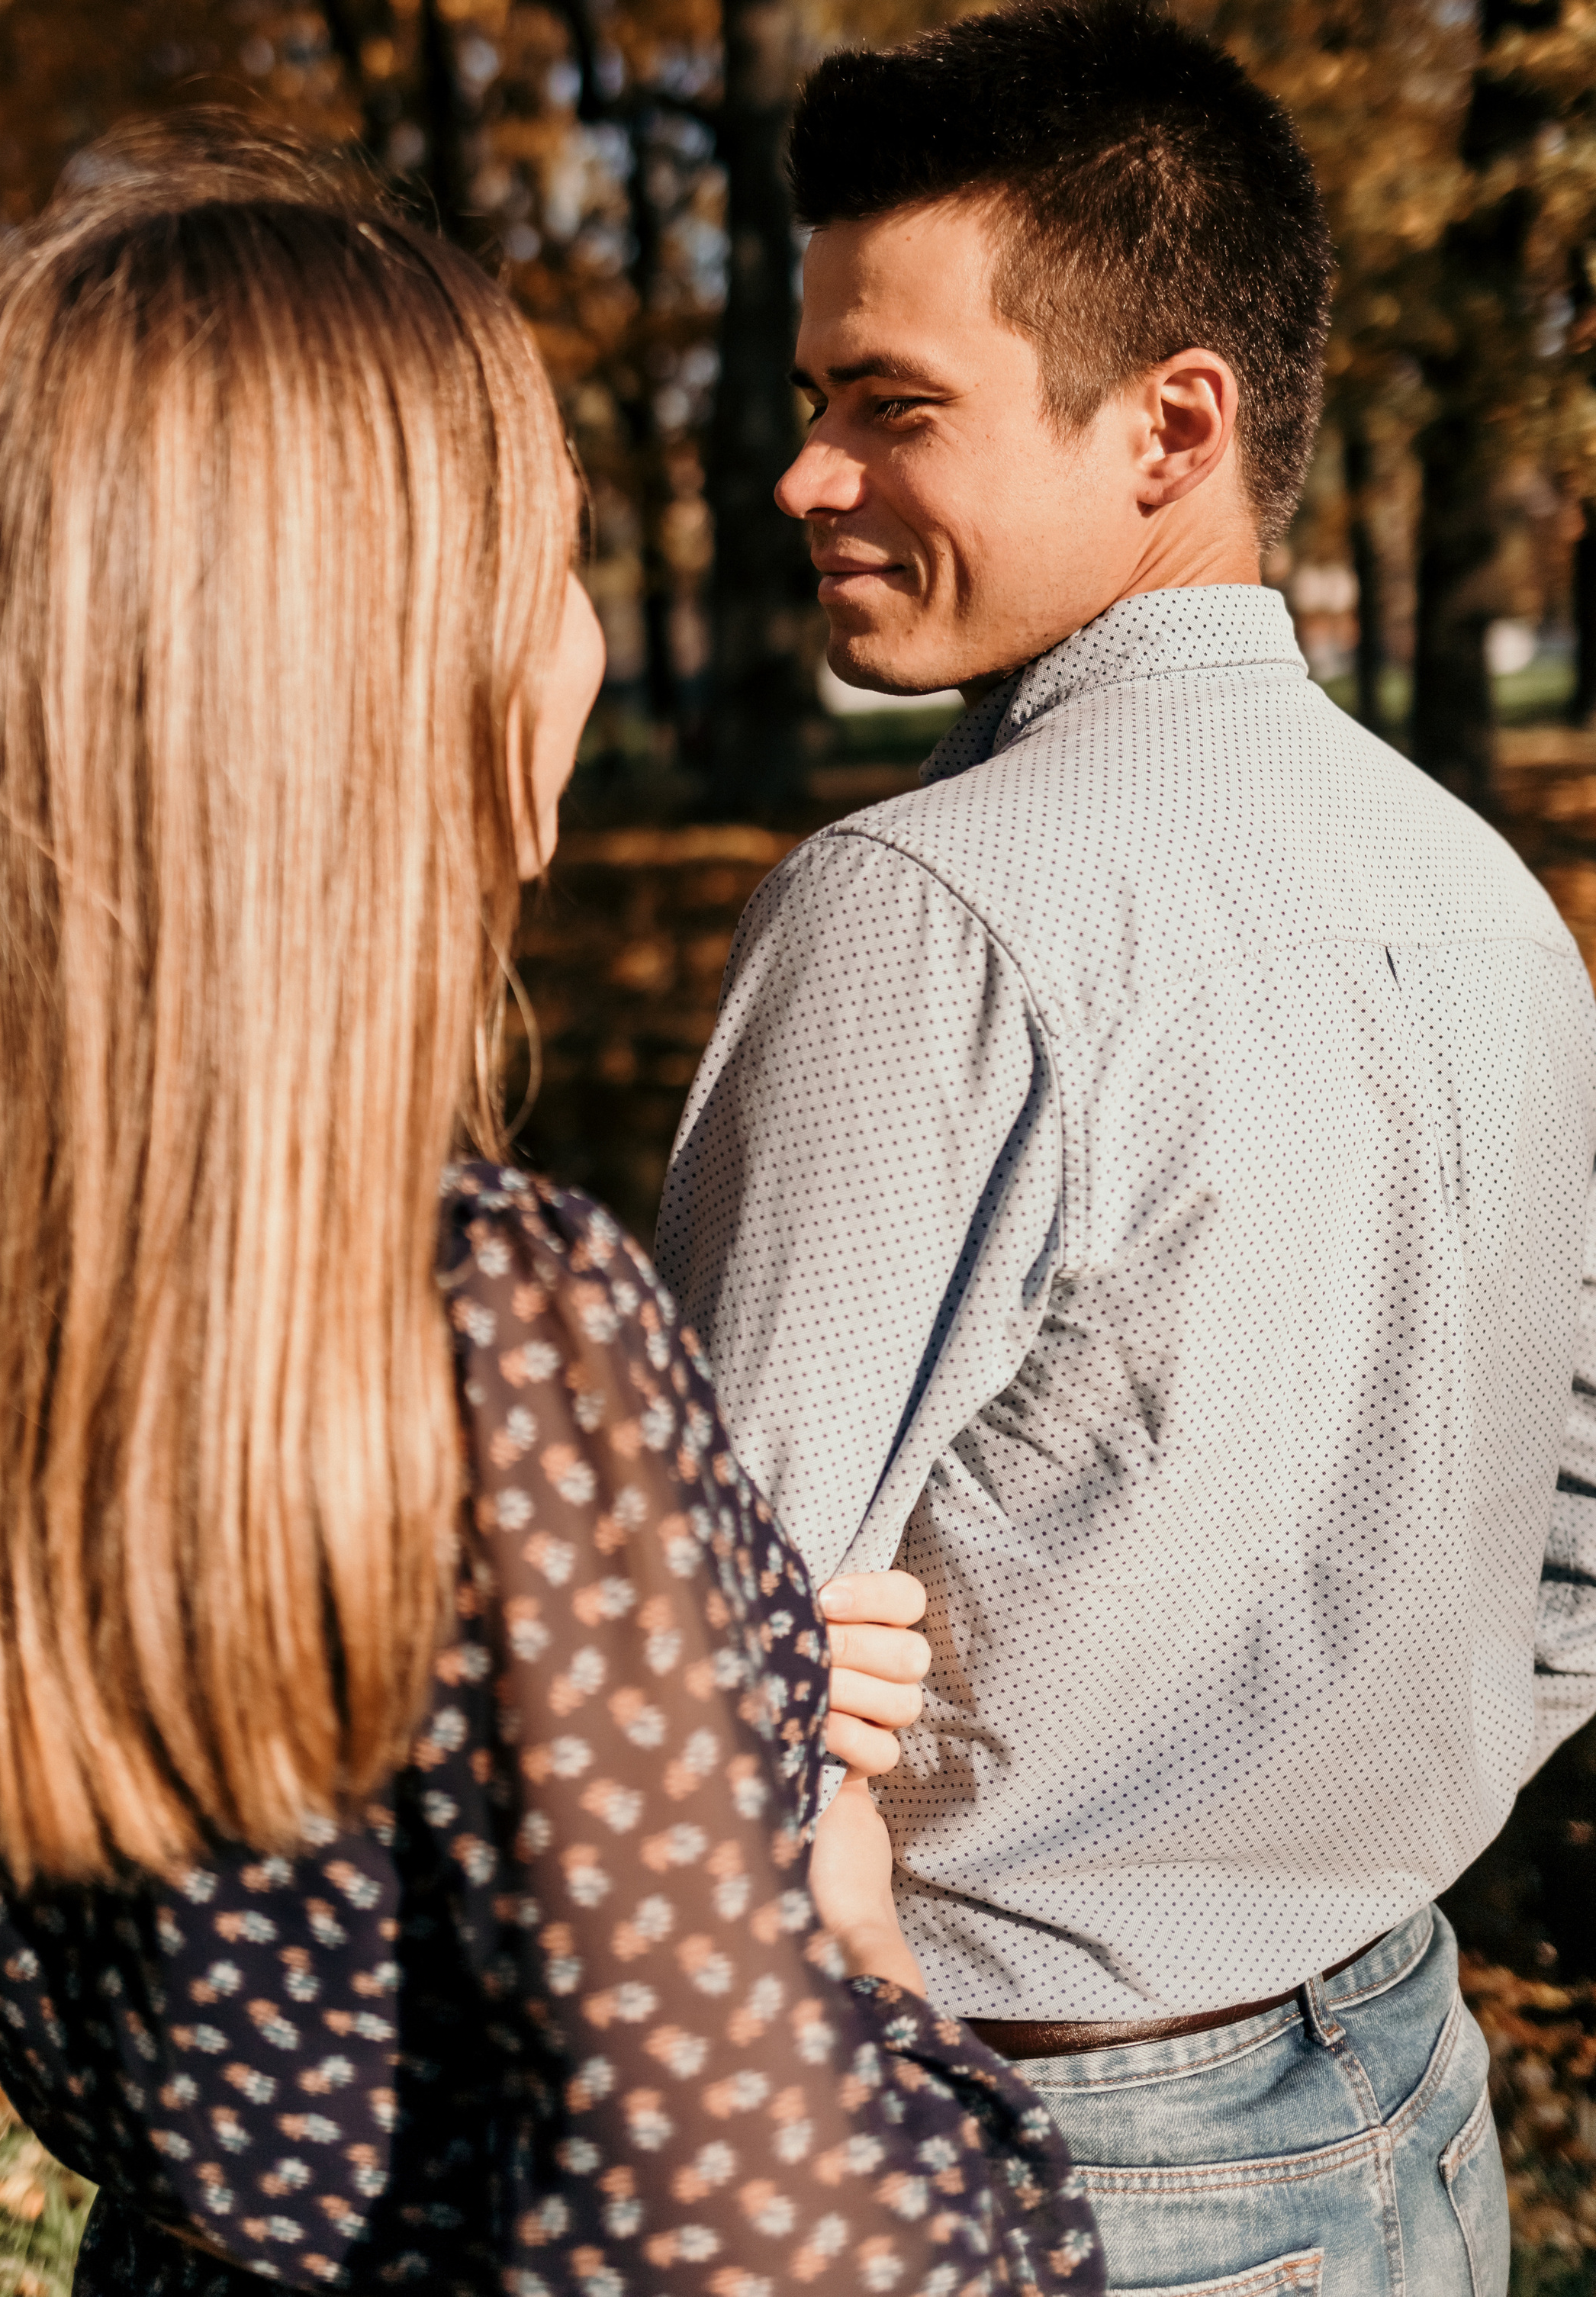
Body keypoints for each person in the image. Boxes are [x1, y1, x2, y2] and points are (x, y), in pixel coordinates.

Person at [0, 115, 1104, 2296]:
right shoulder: (496, 1314)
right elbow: (769, 2241)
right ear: (397, 677)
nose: (582, 651)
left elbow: (362, 1749)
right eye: (556, 564)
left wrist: (722, 1638)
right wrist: (842, 1916)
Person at [654, 4, 1596, 2290]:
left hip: (1031, 2136)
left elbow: (678, 1690)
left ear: (1178, 421)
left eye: (896, 407)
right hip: (1408, 2107)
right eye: (813, 405)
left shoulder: (921, 913)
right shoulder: (1484, 891)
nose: (806, 477)